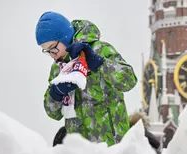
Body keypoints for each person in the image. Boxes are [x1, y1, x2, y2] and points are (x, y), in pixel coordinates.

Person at [35, 11, 137, 146]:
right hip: (80, 152)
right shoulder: (58, 68)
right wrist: (56, 94)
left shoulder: (100, 50)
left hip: (111, 145)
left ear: (64, 38)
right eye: (47, 51)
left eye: (52, 48)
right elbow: (53, 113)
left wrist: (100, 64)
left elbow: (129, 81)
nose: (52, 55)